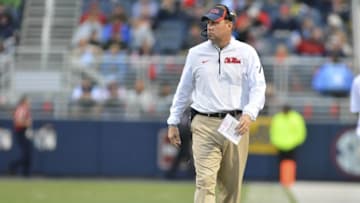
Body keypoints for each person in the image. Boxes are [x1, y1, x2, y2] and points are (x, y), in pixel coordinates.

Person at [167, 4, 266, 203]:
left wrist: (249, 113)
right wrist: (173, 121)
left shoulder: (246, 52)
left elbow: (258, 87)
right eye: (208, 23)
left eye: (215, 23)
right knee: (204, 182)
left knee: (231, 188)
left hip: (235, 123)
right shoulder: (196, 53)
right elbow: (184, 89)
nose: (210, 27)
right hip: (203, 123)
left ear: (229, 25)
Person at [269, 105, 307, 187]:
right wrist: (275, 141)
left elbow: (301, 131)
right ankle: (284, 180)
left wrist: (297, 141)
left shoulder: (295, 117)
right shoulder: (278, 118)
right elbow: (273, 130)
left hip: (292, 144)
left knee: (290, 162)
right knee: (283, 162)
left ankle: (289, 180)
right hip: (281, 144)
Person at [8, 95, 33, 177]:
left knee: (28, 154)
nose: (29, 103)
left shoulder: (25, 110)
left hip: (24, 133)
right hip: (21, 132)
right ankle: (13, 166)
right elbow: (17, 122)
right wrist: (27, 123)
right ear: (24, 102)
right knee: (26, 154)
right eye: (28, 101)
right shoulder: (21, 109)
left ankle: (25, 173)